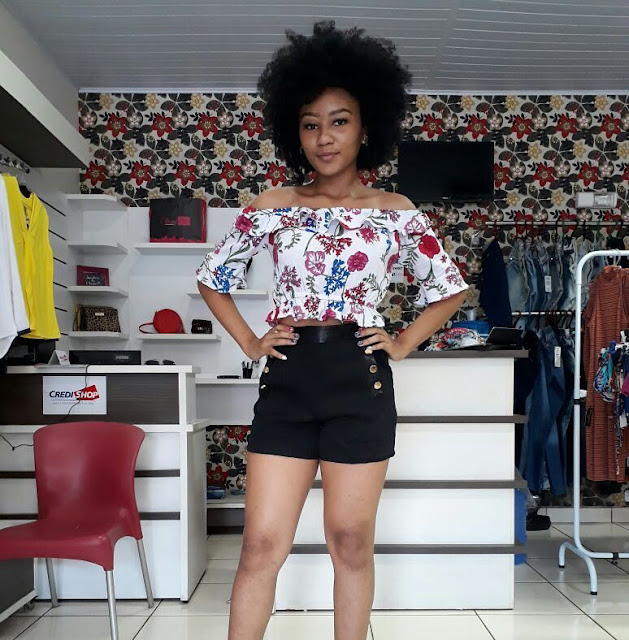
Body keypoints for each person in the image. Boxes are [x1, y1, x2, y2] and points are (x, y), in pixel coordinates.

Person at [196, 20, 468, 640]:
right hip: (288, 382)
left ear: (366, 128)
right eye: (310, 124)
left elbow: (449, 290)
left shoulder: (396, 214)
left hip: (358, 383)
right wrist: (250, 341)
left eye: (339, 121)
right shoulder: (273, 206)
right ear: (295, 133)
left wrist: (402, 341)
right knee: (260, 545)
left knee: (349, 540)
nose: (324, 137)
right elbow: (214, 278)